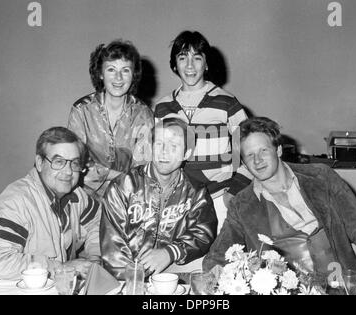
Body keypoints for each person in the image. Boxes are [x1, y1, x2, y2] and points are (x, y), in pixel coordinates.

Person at [203, 117, 356, 286]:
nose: (257, 161)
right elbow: (217, 258)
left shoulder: (322, 177)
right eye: (249, 155)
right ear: (244, 163)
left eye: (263, 151)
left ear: (278, 150)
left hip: (343, 287)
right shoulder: (242, 205)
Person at [153, 31, 251, 230]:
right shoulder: (163, 107)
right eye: (182, 58)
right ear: (174, 64)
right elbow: (157, 159)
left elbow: (251, 150)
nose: (190, 65)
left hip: (219, 197)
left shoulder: (227, 102)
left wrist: (234, 190)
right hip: (177, 203)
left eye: (197, 58)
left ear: (206, 64)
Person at [0, 127, 101, 280]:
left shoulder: (77, 195)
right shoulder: (14, 202)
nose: (69, 172)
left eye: (74, 163)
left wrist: (95, 258)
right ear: (40, 163)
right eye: (59, 162)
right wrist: (58, 268)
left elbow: (98, 223)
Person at [100, 118, 218, 276]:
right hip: (127, 274)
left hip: (174, 271)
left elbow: (203, 233)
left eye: (174, 146)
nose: (164, 151)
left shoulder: (196, 191)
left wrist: (171, 252)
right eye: (159, 144)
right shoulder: (122, 186)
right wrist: (135, 280)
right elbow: (112, 246)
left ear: (187, 153)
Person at [68, 39, 154, 199]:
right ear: (100, 74)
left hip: (127, 199)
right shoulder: (81, 110)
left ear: (133, 75)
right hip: (85, 200)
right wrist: (118, 176)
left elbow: (143, 170)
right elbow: (75, 163)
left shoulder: (143, 114)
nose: (119, 78)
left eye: (125, 70)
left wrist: (113, 178)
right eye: (111, 70)